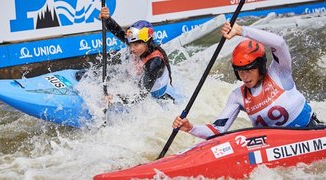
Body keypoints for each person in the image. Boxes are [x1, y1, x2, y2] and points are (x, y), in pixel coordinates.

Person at [172, 21, 322, 139]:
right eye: (240, 72)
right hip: (275, 145)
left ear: (260, 67)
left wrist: (241, 31)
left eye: (249, 70)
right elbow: (218, 129)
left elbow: (279, 43)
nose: (245, 76)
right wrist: (191, 128)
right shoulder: (238, 96)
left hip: (310, 130)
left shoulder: (279, 73)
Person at [99, 7, 182, 104]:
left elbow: (140, 95)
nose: (132, 49)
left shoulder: (155, 62)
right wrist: (107, 19)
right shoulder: (139, 43)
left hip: (153, 95)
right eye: (130, 44)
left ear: (147, 42)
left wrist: (115, 99)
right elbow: (118, 32)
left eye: (136, 45)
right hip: (138, 79)